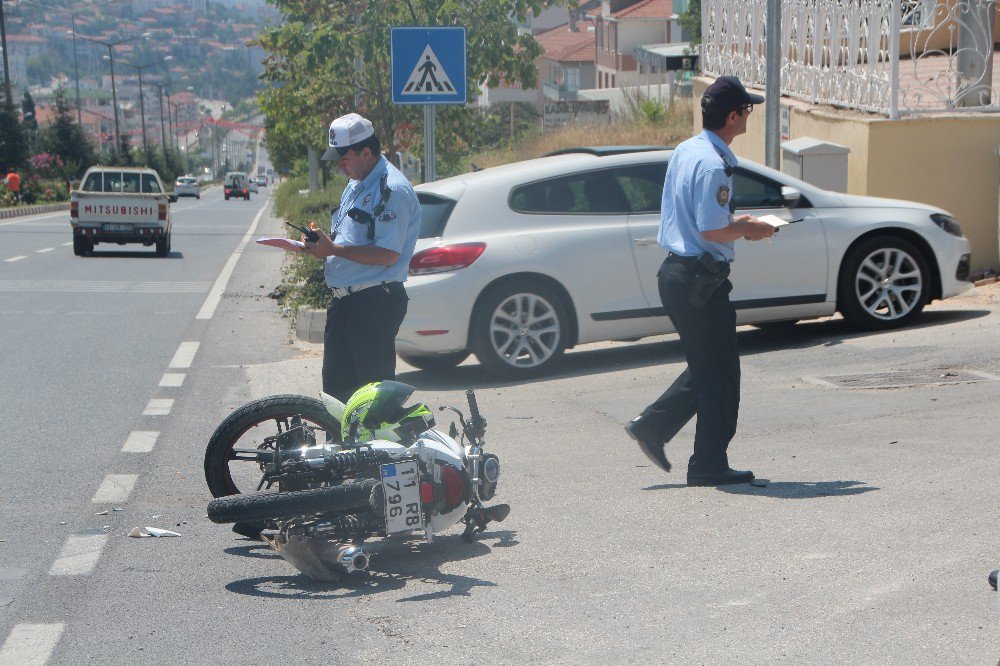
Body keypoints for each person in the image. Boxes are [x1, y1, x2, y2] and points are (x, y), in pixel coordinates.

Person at [625, 76, 775, 486]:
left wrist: (738, 225)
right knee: (721, 375)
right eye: (746, 110)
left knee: (710, 368)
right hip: (698, 279)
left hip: (678, 274)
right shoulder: (714, 164)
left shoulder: (688, 150)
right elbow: (712, 229)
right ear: (732, 116)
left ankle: (654, 428)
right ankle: (706, 463)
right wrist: (748, 228)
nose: (748, 116)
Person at [301, 113, 421, 403]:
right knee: (336, 398)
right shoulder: (357, 183)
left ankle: (376, 449)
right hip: (345, 303)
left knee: (372, 400)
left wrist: (333, 250)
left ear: (366, 151)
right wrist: (321, 245)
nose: (340, 165)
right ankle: (342, 448)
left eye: (344, 158)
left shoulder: (390, 189)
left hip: (373, 304)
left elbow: (388, 255)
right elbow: (347, 239)